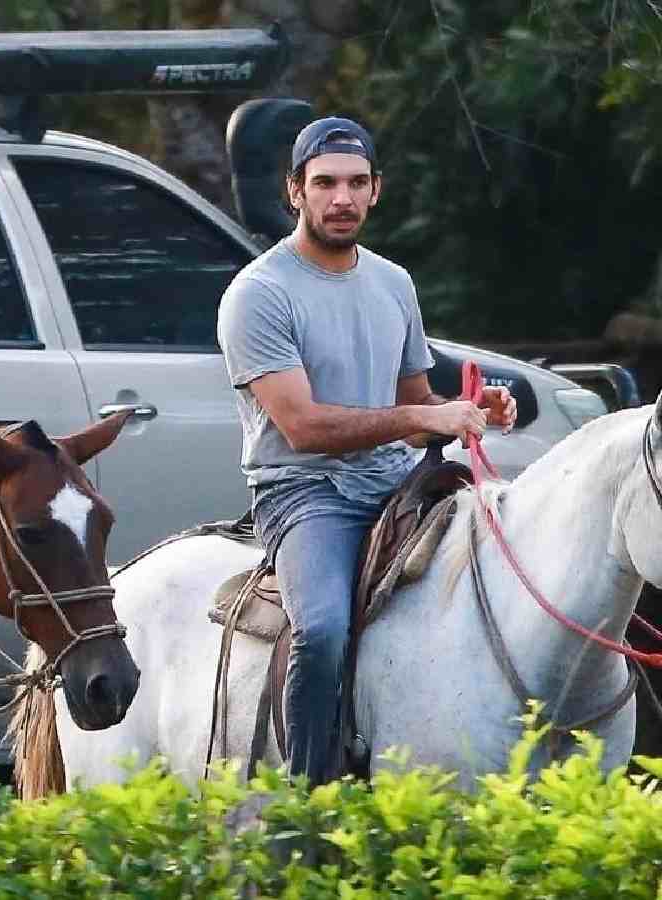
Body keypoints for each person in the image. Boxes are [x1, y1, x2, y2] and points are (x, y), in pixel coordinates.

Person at [215, 117, 516, 784]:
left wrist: (465, 415)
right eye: (324, 184)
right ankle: (306, 797)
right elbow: (303, 428)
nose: (340, 198)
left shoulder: (393, 283)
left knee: (504, 580)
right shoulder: (258, 295)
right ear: (295, 191)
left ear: (376, 190)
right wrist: (420, 413)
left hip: (396, 480)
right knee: (321, 631)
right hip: (305, 493)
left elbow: (412, 411)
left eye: (355, 183)